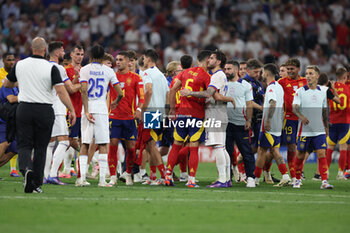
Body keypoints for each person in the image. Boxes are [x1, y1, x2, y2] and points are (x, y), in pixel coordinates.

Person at [4, 37, 76, 193]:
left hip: (24, 109)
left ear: (31, 49)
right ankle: (36, 183)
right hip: (44, 110)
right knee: (41, 147)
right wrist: (71, 109)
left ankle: (25, 170)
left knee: (24, 145)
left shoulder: (20, 65)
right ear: (45, 50)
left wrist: (21, 82)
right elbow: (61, 91)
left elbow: (6, 84)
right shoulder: (51, 68)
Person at [180, 51, 236, 188]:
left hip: (215, 113)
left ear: (218, 62)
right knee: (222, 147)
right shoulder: (218, 75)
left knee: (218, 147)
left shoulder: (217, 76)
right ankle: (227, 179)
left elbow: (209, 94)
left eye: (211, 58)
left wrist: (190, 92)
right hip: (219, 113)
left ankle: (222, 179)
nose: (208, 60)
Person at [164, 50, 212, 188]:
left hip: (182, 114)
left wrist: (172, 109)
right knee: (194, 147)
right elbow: (209, 95)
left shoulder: (185, 73)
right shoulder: (206, 76)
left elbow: (173, 89)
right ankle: (191, 180)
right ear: (207, 60)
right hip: (196, 114)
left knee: (176, 145)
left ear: (197, 61)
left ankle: (168, 176)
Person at [78, 44, 123, 187]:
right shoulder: (109, 71)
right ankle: (102, 180)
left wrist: (86, 110)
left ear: (90, 56)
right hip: (102, 109)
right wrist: (115, 101)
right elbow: (120, 92)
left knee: (85, 143)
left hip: (88, 108)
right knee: (103, 144)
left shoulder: (84, 69)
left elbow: (84, 91)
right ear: (103, 56)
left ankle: (82, 179)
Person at [44, 41, 81, 185]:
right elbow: (70, 89)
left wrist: (75, 79)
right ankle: (53, 174)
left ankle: (46, 175)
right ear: (57, 52)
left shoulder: (44, 66)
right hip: (58, 109)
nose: (64, 53)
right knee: (65, 141)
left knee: (49, 143)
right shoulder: (59, 68)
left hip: (45, 107)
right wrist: (83, 83)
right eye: (62, 50)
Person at [292, 65, 333, 189]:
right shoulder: (300, 91)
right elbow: (294, 107)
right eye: (306, 74)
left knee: (321, 153)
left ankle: (324, 181)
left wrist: (326, 126)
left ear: (317, 76)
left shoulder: (324, 90)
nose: (308, 76)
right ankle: (297, 180)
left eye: (311, 73)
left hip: (319, 129)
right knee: (300, 155)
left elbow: (325, 110)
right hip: (304, 130)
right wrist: (301, 116)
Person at [107, 51, 144, 186]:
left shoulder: (136, 78)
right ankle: (112, 177)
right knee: (113, 146)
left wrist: (139, 109)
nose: (118, 62)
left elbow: (142, 97)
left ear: (128, 62)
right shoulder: (112, 76)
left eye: (121, 59)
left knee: (131, 148)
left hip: (130, 118)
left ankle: (128, 173)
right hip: (114, 117)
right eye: (117, 59)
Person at [253, 64, 291, 187]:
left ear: (267, 74)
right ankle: (285, 176)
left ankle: (256, 179)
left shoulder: (271, 88)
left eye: (262, 72)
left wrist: (268, 119)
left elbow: (273, 103)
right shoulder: (279, 87)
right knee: (274, 150)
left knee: (262, 151)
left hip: (268, 125)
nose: (261, 75)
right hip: (277, 125)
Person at [138, 49, 169, 185]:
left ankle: (163, 175)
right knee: (150, 145)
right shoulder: (161, 75)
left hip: (150, 112)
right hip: (160, 112)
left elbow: (148, 90)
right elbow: (168, 94)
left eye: (144, 58)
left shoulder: (146, 73)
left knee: (150, 145)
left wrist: (142, 110)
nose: (143, 61)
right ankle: (154, 177)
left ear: (148, 59)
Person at [224, 60, 255, 185]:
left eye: (229, 69)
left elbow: (249, 104)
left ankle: (251, 178)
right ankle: (226, 178)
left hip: (241, 123)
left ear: (236, 70)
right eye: (225, 69)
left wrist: (249, 120)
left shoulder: (246, 85)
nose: (226, 71)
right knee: (226, 151)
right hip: (225, 123)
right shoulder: (222, 84)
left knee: (246, 151)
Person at [278, 58, 307, 185]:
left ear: (298, 69)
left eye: (292, 69)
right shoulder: (282, 82)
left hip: (303, 119)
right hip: (289, 118)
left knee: (302, 148)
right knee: (291, 147)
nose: (289, 71)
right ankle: (294, 177)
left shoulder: (305, 81)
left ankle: (300, 174)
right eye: (288, 69)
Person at [326, 67, 350, 180]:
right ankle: (340, 173)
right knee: (343, 148)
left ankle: (325, 172)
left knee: (329, 148)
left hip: (332, 121)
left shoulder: (331, 89)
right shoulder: (348, 89)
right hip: (344, 122)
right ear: (345, 77)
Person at [0, 52, 19, 177]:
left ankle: (13, 169)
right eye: (9, 60)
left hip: (14, 115)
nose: (11, 62)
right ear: (3, 61)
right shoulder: (2, 76)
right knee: (5, 142)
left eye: (13, 60)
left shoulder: (16, 77)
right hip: (3, 113)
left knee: (15, 147)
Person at [243, 59, 264, 154]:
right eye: (255, 72)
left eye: (259, 72)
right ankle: (238, 166)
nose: (258, 74)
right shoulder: (244, 83)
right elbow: (248, 102)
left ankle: (240, 166)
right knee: (248, 145)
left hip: (258, 118)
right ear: (248, 70)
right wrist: (261, 108)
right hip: (248, 118)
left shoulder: (258, 83)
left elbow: (262, 97)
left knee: (258, 145)